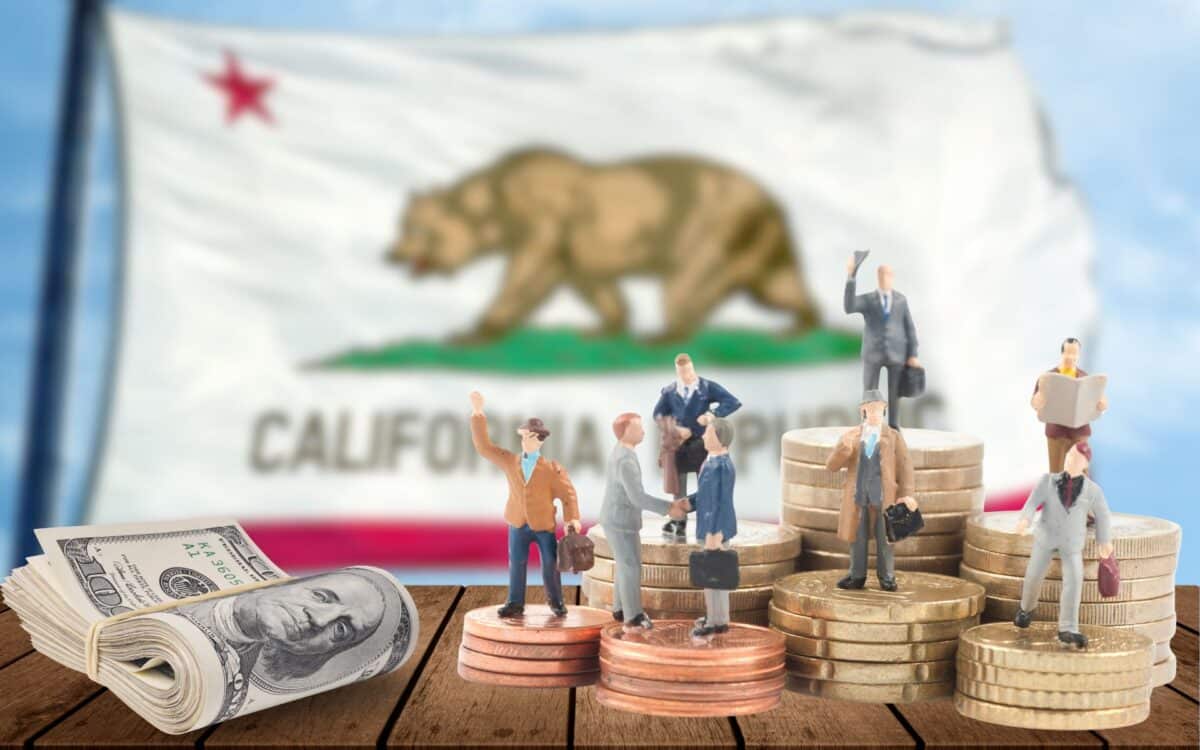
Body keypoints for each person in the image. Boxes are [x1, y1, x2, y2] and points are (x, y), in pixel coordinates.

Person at [468, 391, 580, 618]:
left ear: (539, 440)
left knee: (550, 564)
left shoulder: (551, 469)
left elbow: (568, 494)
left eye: (529, 437)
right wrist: (478, 413)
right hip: (517, 523)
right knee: (517, 563)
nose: (524, 440)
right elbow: (484, 447)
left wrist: (572, 518)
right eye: (523, 436)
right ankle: (515, 602)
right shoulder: (511, 461)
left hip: (543, 526)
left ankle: (556, 602)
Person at [1013, 441, 1113, 648]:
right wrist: (1025, 519)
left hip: (1072, 543)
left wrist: (1104, 540)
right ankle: (1026, 609)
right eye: (1068, 456)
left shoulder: (1092, 490)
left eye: (1075, 458)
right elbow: (1032, 503)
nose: (1070, 460)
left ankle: (1068, 628)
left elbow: (1103, 515)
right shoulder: (1047, 481)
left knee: (1074, 582)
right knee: (1033, 575)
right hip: (1045, 537)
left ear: (1085, 464)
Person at [600, 412, 688, 629]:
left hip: (618, 518)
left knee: (625, 565)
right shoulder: (625, 460)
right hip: (620, 520)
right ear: (627, 431)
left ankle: (620, 607)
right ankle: (633, 616)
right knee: (630, 567)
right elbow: (637, 497)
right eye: (638, 428)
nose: (643, 431)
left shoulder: (624, 453)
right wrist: (669, 508)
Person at [825, 389, 918, 591]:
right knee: (856, 538)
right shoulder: (852, 436)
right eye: (870, 409)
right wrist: (844, 447)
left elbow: (905, 466)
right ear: (863, 411)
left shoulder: (893, 437)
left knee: (885, 538)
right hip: (858, 498)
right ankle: (856, 575)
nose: (875, 413)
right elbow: (831, 466)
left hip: (885, 498)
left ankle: (887, 577)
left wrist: (908, 494)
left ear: (884, 410)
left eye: (879, 409)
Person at [652, 353, 741, 539]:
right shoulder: (670, 391)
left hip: (703, 445)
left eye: (689, 371)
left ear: (693, 368)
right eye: (683, 372)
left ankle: (706, 520)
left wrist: (713, 414)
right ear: (677, 372)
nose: (687, 375)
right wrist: (674, 429)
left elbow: (733, 402)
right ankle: (679, 521)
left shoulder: (706, 387)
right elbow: (658, 415)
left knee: (707, 484)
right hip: (680, 446)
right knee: (678, 486)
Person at [843, 255, 919, 428]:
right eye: (882, 275)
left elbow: (909, 327)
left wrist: (913, 354)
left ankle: (893, 426)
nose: (885, 278)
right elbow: (849, 307)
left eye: (888, 274)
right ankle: (868, 426)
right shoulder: (869, 300)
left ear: (892, 277)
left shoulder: (900, 300)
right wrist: (851, 277)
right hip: (872, 354)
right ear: (878, 277)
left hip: (896, 354)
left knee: (895, 393)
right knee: (869, 393)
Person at [678, 418, 737, 637]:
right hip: (709, 526)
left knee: (714, 578)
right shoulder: (713, 461)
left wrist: (716, 533)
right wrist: (690, 503)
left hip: (715, 530)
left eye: (708, 433)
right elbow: (706, 496)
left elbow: (720, 502)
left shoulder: (720, 466)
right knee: (714, 577)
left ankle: (716, 621)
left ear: (719, 438)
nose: (703, 436)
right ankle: (717, 617)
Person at [1030, 337, 1109, 472]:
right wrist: (1038, 400)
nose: (1070, 357)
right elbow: (1035, 401)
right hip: (1057, 433)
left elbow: (1099, 399)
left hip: (1079, 432)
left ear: (1078, 355)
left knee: (1081, 471)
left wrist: (1102, 404)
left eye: (1074, 354)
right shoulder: (1048, 377)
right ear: (1062, 353)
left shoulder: (1085, 377)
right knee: (1056, 471)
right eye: (1068, 353)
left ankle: (1080, 492)